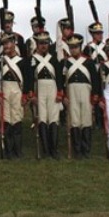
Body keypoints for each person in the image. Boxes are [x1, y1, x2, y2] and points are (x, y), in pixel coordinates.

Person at [0, 33, 32, 159]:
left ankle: (17, 150)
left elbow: (28, 79)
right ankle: (8, 149)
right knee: (6, 119)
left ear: (14, 44)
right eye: (4, 44)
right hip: (4, 90)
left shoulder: (23, 61)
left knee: (16, 118)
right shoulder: (0, 61)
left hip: (17, 90)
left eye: (8, 43)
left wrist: (25, 95)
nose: (6, 46)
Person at [63, 34, 100, 159]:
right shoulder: (66, 62)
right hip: (71, 91)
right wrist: (64, 95)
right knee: (74, 120)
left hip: (85, 90)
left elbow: (95, 79)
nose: (73, 50)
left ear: (80, 47)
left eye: (75, 47)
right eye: (71, 47)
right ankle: (77, 149)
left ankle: (86, 149)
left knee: (86, 119)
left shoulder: (88, 62)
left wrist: (95, 94)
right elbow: (62, 81)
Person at [30, 31, 64, 159]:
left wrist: (60, 91)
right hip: (39, 88)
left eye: (45, 43)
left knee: (53, 117)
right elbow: (29, 78)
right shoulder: (33, 59)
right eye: (41, 43)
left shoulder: (54, 58)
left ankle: (53, 149)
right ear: (37, 44)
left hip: (52, 87)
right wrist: (31, 93)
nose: (43, 45)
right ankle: (45, 149)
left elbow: (59, 76)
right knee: (42, 117)